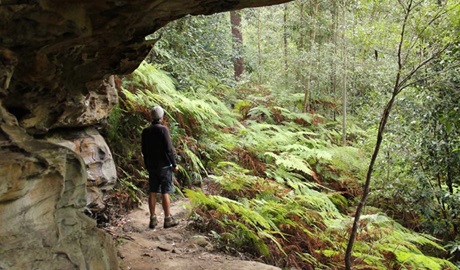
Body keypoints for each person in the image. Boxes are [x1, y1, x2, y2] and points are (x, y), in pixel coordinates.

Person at [141, 106, 179, 229]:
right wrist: (174, 164)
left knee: (152, 192)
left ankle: (152, 219)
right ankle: (167, 219)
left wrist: (147, 164)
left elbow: (144, 150)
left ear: (151, 117)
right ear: (162, 117)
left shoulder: (145, 131)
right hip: (164, 166)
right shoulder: (163, 130)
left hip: (151, 166)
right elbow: (169, 149)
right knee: (165, 192)